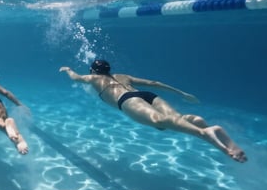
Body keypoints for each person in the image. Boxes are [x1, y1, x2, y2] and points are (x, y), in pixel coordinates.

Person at [59, 59, 246, 163]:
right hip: (147, 94)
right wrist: (182, 93)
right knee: (175, 119)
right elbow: (154, 84)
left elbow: (75, 78)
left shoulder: (93, 79)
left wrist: (68, 69)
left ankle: (205, 131)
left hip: (127, 100)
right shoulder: (123, 76)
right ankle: (202, 126)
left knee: (159, 121)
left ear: (93, 71)